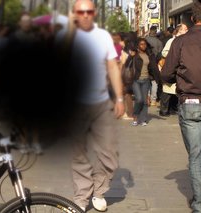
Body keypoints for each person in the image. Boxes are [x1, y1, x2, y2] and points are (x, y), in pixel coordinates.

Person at [57, 0, 124, 211]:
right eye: (80, 12)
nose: (85, 15)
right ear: (75, 13)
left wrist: (120, 98)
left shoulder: (103, 36)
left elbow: (112, 66)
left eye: (88, 11)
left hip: (101, 103)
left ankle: (100, 189)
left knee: (109, 154)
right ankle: (81, 198)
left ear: (93, 13)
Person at [161, 1, 201, 212]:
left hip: (191, 102)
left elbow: (166, 74)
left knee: (196, 156)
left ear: (192, 19)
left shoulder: (181, 41)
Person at [159, 23, 188, 117]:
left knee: (175, 90)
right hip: (171, 68)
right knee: (167, 91)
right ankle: (164, 110)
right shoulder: (172, 41)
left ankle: (173, 108)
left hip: (180, 69)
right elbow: (164, 53)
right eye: (185, 29)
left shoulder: (186, 40)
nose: (187, 31)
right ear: (180, 31)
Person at [130, 38, 160, 126]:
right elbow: (128, 65)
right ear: (138, 45)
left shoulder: (149, 55)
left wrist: (158, 78)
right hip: (136, 80)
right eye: (141, 44)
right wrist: (131, 56)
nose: (143, 46)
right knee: (138, 99)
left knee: (144, 101)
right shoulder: (134, 55)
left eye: (145, 44)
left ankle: (143, 119)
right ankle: (135, 116)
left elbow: (153, 68)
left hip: (146, 80)